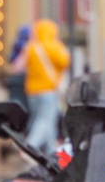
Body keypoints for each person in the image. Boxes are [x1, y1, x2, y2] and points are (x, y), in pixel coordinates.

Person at [21, 16, 70, 150]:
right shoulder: (54, 47)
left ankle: (51, 152)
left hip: (32, 91)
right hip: (48, 90)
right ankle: (30, 146)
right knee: (45, 120)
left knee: (46, 121)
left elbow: (22, 65)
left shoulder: (31, 48)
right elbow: (64, 61)